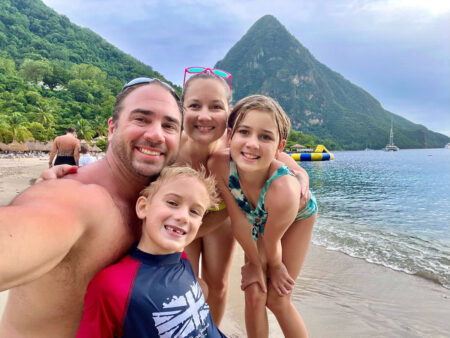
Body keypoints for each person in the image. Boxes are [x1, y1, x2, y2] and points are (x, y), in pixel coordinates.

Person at [0, 77, 182, 337]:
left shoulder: (166, 208)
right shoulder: (75, 198)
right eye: (141, 119)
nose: (155, 134)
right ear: (112, 128)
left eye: (169, 125)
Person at [208, 95, 318, 338]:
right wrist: (256, 266)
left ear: (280, 146)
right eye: (244, 132)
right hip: (254, 216)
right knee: (255, 291)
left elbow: (271, 240)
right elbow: (239, 221)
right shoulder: (220, 165)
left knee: (278, 299)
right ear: (230, 135)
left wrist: (274, 266)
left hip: (296, 216)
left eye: (265, 137)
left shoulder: (285, 190)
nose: (252, 144)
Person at [77, 165, 226, 337]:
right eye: (172, 203)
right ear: (143, 207)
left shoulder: (182, 259)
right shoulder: (111, 285)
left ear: (199, 224)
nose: (183, 216)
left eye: (194, 212)